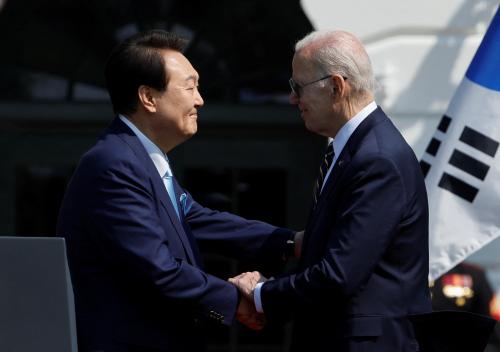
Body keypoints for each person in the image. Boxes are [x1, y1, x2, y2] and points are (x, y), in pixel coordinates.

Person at [56, 30, 298, 352]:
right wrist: (241, 300)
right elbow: (157, 269)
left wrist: (289, 242)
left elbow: (196, 220)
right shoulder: (113, 164)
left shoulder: (140, 158)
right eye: (190, 86)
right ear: (148, 98)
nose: (200, 99)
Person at [230, 30, 432, 351]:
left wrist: (261, 294)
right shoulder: (356, 149)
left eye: (298, 87)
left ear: (337, 86)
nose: (294, 99)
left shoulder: (376, 158)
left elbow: (338, 274)